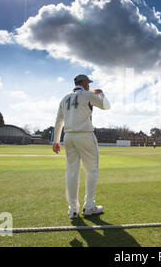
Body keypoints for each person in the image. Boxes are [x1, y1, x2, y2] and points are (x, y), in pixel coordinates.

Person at [52, 74, 111, 219]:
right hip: (85, 135)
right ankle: (89, 206)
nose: (89, 86)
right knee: (92, 171)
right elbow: (107, 106)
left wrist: (56, 140)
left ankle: (73, 209)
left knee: (72, 173)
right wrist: (101, 93)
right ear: (83, 83)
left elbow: (59, 121)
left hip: (69, 137)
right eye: (88, 83)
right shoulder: (87, 95)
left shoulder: (64, 98)